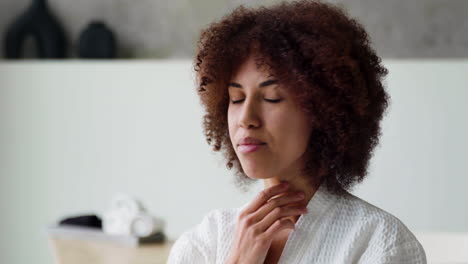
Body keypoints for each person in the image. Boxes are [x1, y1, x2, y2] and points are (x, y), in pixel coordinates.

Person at [168, 0, 427, 263]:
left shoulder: (379, 242)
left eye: (271, 97)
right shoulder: (204, 241)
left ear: (322, 109)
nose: (246, 118)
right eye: (236, 98)